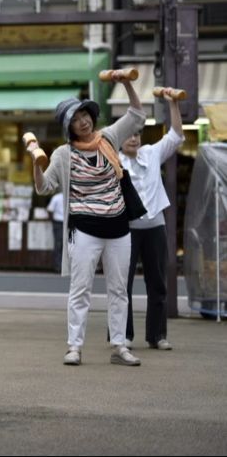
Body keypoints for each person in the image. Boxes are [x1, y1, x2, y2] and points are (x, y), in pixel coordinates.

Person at [28, 79, 146, 367]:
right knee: (81, 289)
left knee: (119, 289)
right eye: (75, 119)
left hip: (118, 226)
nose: (82, 122)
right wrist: (36, 165)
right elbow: (44, 188)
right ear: (68, 127)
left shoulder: (109, 138)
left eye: (85, 116)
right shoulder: (63, 154)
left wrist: (126, 83)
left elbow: (137, 115)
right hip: (84, 229)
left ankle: (119, 345)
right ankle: (74, 347)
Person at [119, 87, 184, 351]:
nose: (133, 139)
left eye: (136, 133)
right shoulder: (115, 160)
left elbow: (177, 135)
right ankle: (123, 335)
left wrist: (173, 104)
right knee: (123, 285)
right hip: (127, 230)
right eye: (128, 135)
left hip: (155, 226)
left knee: (157, 282)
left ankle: (157, 335)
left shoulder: (152, 153)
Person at [47, 192, 64, 272]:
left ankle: (58, 266)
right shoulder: (72, 197)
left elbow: (50, 210)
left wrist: (52, 221)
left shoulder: (56, 197)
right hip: (66, 222)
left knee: (58, 244)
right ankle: (61, 266)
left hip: (58, 222)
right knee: (67, 245)